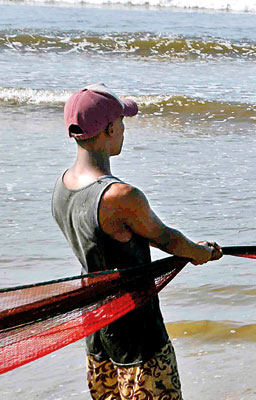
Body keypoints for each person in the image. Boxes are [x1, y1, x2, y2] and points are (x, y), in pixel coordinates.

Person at [51, 83, 222, 400]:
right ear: (109, 128)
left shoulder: (63, 187)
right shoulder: (120, 196)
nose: (124, 130)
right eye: (122, 122)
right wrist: (203, 253)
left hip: (97, 329)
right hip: (138, 335)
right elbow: (167, 239)